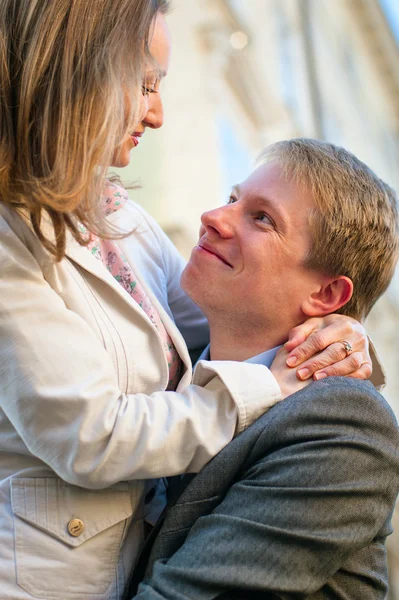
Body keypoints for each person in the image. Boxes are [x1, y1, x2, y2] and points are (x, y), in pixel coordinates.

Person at [0, 2, 379, 599]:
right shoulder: (8, 237)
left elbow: (229, 311)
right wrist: (273, 383)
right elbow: (90, 436)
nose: (156, 112)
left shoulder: (114, 215)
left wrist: (343, 332)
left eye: (260, 215)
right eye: (146, 83)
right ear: (79, 75)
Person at [128, 139, 399, 600]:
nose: (214, 217)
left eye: (262, 218)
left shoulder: (343, 426)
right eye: (233, 199)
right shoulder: (168, 360)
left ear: (327, 295)